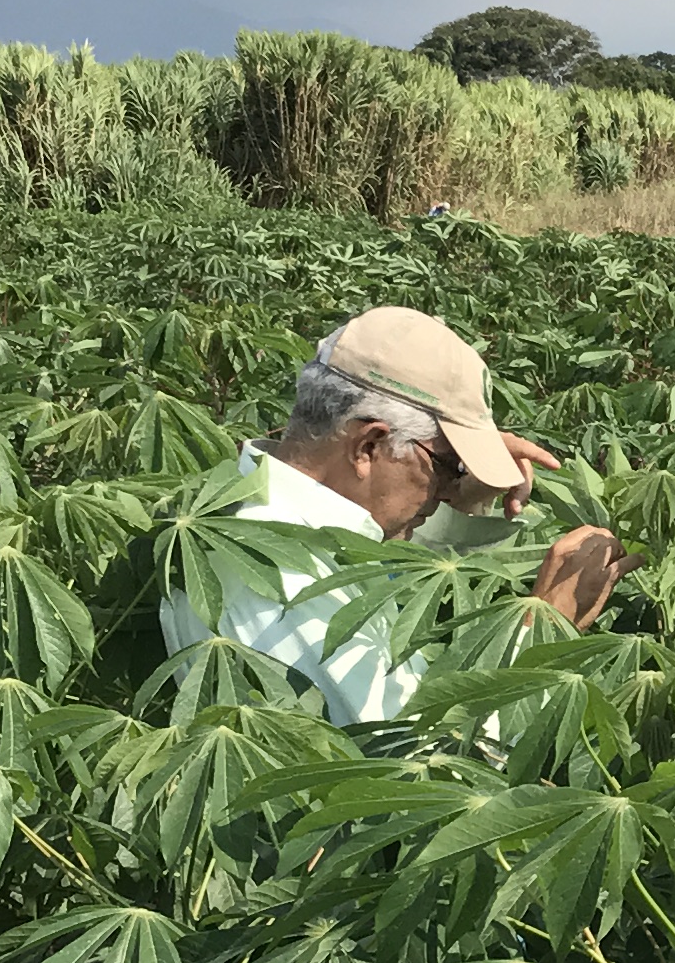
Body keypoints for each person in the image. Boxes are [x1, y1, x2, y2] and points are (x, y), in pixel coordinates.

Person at [161, 306, 622, 723]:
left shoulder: (271, 514)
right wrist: (542, 630)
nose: (446, 485)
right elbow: (411, 770)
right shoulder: (282, 588)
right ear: (369, 446)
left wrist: (461, 497)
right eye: (445, 464)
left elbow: (376, 564)